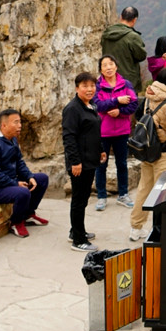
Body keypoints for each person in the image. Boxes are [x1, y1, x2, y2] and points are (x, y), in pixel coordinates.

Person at [129, 65, 166, 242]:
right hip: (165, 153)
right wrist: (165, 134)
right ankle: (159, 231)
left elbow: (138, 115)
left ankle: (135, 227)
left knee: (144, 189)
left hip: (148, 151)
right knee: (163, 194)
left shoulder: (149, 97)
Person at [0, 109, 50, 238]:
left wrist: (29, 177)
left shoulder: (12, 140)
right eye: (16, 122)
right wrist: (15, 183)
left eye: (20, 122)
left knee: (41, 179)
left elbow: (19, 163)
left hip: (9, 181)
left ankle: (28, 214)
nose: (20, 125)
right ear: (4, 125)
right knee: (23, 192)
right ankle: (16, 222)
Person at [62, 71, 106, 252]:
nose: (89, 89)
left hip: (90, 159)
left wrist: (101, 150)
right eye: (85, 86)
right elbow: (69, 137)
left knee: (83, 197)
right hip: (79, 163)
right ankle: (78, 240)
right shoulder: (73, 109)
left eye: (92, 86)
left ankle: (76, 230)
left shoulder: (91, 105)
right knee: (79, 200)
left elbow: (94, 132)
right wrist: (75, 162)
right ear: (77, 88)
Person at [93, 55, 138, 210]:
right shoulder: (98, 86)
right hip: (103, 131)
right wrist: (117, 101)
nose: (109, 67)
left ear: (116, 66)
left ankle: (123, 194)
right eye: (105, 65)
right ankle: (101, 196)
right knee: (101, 164)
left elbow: (134, 104)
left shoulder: (125, 84)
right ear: (101, 70)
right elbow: (97, 105)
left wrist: (119, 112)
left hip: (122, 130)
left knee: (122, 163)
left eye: (111, 64)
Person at [101, 6, 147, 93]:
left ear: (121, 16)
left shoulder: (106, 34)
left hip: (108, 79)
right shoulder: (132, 36)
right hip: (128, 82)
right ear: (134, 20)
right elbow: (141, 56)